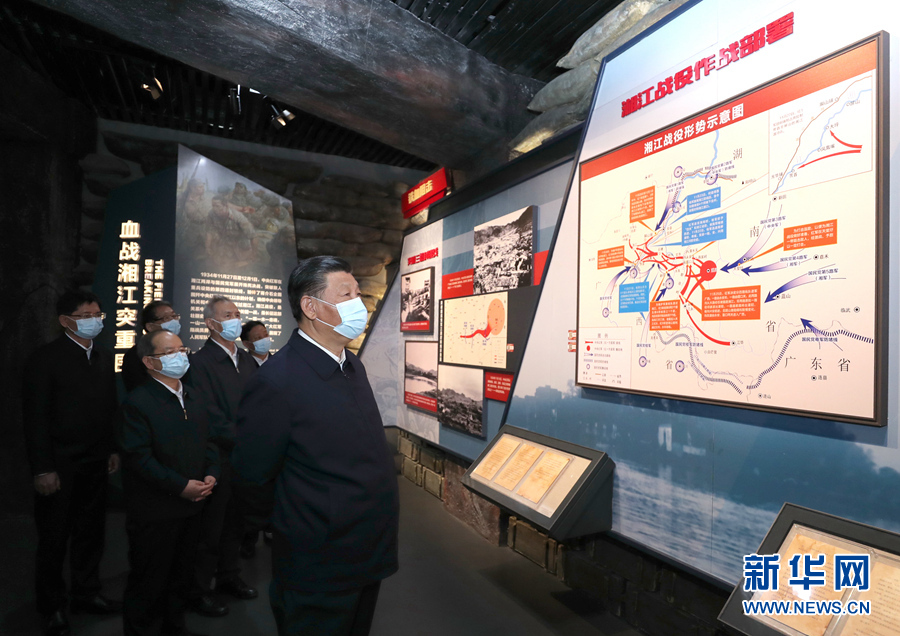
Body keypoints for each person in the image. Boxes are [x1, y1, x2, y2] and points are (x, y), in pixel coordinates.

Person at [233, 256, 399, 636]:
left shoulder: (351, 365)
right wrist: (300, 526)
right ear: (311, 306)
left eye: (358, 293)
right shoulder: (276, 381)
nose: (359, 304)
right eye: (346, 294)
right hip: (319, 562)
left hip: (366, 550)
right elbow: (252, 476)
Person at [22, 290, 122, 636]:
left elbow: (108, 408)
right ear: (65, 321)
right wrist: (42, 468)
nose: (95, 321)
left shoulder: (102, 356)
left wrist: (111, 448)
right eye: (86, 315)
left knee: (91, 533)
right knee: (54, 538)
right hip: (59, 466)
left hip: (96, 462)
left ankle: (86, 593)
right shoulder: (45, 359)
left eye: (98, 314)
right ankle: (51, 607)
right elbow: (35, 418)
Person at [117, 330, 219, 636]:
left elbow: (210, 441)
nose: (180, 357)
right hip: (156, 510)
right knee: (149, 578)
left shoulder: (194, 396)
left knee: (181, 575)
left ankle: (174, 627)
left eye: (182, 349)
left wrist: (212, 472)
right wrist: (180, 486)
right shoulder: (138, 402)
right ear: (149, 361)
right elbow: (139, 458)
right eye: (169, 352)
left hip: (193, 507)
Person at [185, 295, 258, 617]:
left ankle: (229, 576)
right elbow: (207, 414)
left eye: (237, 314)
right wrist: (245, 439)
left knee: (236, 523)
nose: (235, 320)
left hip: (246, 456)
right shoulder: (200, 363)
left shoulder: (246, 360)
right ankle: (199, 590)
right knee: (210, 529)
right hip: (217, 456)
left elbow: (260, 403)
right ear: (211, 323)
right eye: (228, 315)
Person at [122, 300, 182, 393]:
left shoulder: (181, 350)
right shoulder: (135, 355)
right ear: (150, 326)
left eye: (174, 316)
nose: (173, 321)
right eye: (167, 318)